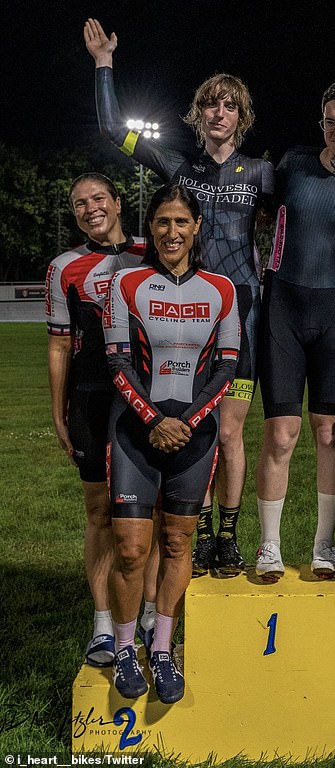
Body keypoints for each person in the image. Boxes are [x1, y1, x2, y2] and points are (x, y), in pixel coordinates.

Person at [84, 18, 274, 577]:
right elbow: (110, 128)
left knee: (232, 429)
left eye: (229, 106)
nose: (219, 114)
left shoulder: (262, 172)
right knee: (184, 422)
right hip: (180, 321)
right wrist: (103, 65)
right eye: (210, 105)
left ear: (241, 116)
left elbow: (311, 216)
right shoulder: (178, 168)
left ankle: (226, 537)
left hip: (240, 311)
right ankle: (182, 529)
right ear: (198, 115)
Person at [103, 184, 240, 703]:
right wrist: (153, 418)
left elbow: (227, 368)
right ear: (152, 228)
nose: (171, 232)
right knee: (133, 550)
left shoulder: (222, 289)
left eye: (181, 222)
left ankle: (161, 649)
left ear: (197, 226)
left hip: (195, 435)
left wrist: (187, 421)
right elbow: (117, 361)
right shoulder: (127, 283)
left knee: (178, 544)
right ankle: (122, 649)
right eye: (162, 222)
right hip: (135, 431)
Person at [255, 80, 335, 581]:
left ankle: (324, 544)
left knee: (329, 433)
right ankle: (268, 545)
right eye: (330, 121)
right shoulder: (293, 164)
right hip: (281, 309)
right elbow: (254, 206)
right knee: (281, 435)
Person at [45, 172, 158, 668]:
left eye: (97, 199)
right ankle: (104, 627)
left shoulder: (151, 249)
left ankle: (151, 612)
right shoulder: (64, 267)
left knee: (147, 511)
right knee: (99, 513)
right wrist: (58, 411)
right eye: (78, 204)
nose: (89, 208)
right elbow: (58, 344)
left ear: (117, 201)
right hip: (90, 398)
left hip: (149, 398)